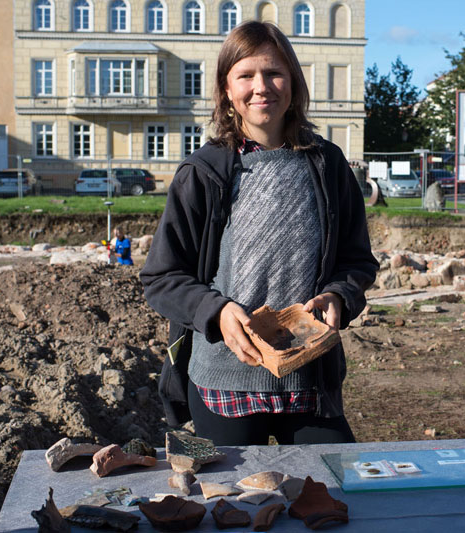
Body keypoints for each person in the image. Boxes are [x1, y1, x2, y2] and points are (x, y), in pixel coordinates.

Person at [140, 21, 378, 446]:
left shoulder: (328, 165)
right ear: (227, 89)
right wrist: (215, 311)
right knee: (234, 505)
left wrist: (339, 295)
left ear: (294, 82)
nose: (261, 86)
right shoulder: (205, 172)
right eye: (246, 75)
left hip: (309, 381)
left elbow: (357, 261)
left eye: (274, 72)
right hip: (223, 382)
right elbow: (162, 277)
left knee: (332, 497)